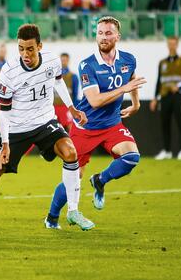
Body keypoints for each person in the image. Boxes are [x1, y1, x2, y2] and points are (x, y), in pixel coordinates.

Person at [0, 24, 94, 235]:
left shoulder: (52, 61)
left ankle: (73, 210)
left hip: (45, 122)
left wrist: (71, 107)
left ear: (40, 46)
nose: (25, 54)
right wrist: (5, 143)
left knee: (71, 152)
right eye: (21, 49)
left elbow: (58, 83)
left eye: (30, 49)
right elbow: (4, 111)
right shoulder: (9, 72)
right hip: (16, 128)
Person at [45, 16, 147, 227]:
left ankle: (100, 180)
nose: (103, 37)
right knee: (74, 176)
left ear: (118, 36)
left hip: (111, 125)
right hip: (86, 127)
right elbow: (95, 100)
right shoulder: (88, 65)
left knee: (131, 157)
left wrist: (136, 104)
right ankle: (52, 217)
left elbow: (132, 79)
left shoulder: (128, 59)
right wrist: (123, 90)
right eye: (100, 33)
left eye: (108, 33)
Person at [151, 36, 181, 160]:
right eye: (169, 44)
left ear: (177, 45)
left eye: (173, 44)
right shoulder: (162, 63)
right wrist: (155, 98)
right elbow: (159, 81)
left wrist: (178, 86)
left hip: (178, 96)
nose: (171, 46)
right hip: (165, 97)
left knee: (180, 124)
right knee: (165, 124)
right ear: (167, 45)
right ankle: (167, 151)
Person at [54, 53, 80, 131]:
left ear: (68, 61)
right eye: (62, 60)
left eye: (65, 60)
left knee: (70, 126)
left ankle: (73, 141)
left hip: (65, 106)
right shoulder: (53, 75)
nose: (63, 62)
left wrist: (73, 107)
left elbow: (75, 93)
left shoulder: (73, 76)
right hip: (54, 106)